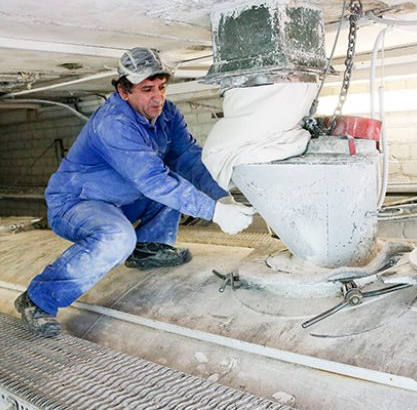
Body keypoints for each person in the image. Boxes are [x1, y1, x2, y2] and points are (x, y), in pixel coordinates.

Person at [15, 47, 255, 337]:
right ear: (123, 91)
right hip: (79, 203)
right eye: (147, 89)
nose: (157, 97)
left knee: (175, 175)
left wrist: (220, 196)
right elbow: (152, 181)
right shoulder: (114, 123)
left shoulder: (167, 114)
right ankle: (38, 299)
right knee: (118, 236)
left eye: (161, 87)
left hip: (126, 198)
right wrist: (215, 213)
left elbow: (188, 157)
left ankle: (148, 248)